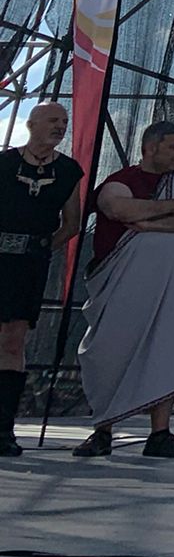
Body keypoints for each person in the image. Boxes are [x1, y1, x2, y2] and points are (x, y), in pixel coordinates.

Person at [73, 120, 174, 459]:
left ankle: (160, 434)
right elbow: (118, 208)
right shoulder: (121, 181)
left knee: (164, 351)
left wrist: (149, 224)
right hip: (120, 286)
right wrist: (172, 205)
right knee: (110, 351)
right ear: (151, 148)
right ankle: (102, 430)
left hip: (170, 289)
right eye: (173, 147)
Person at [0, 102, 83, 454]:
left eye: (64, 122)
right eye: (52, 120)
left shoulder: (67, 171)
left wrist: (43, 245)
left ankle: (3, 427)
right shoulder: (4, 163)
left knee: (13, 340)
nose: (60, 126)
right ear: (31, 123)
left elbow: (72, 223)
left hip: (29, 264)